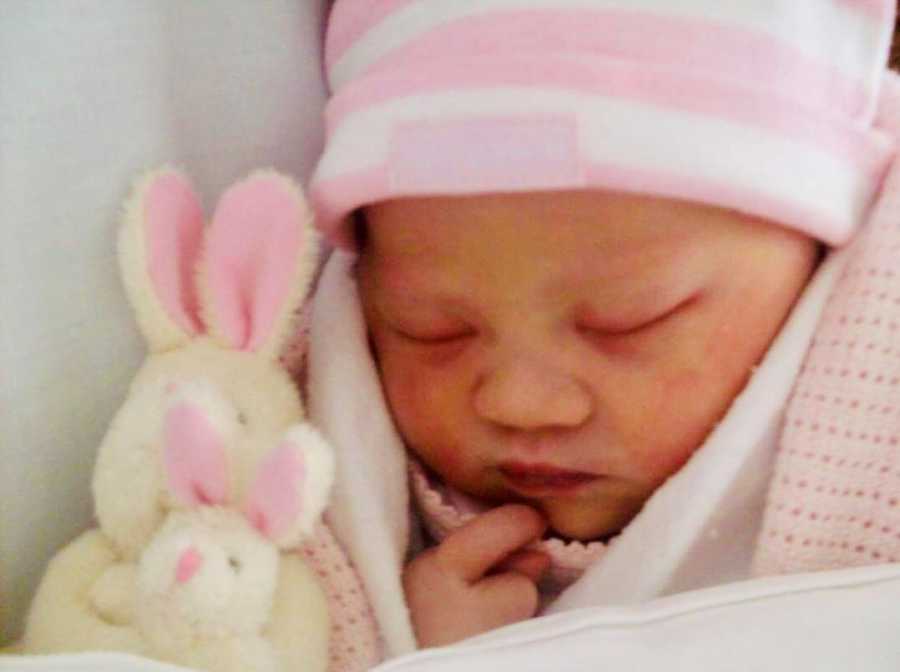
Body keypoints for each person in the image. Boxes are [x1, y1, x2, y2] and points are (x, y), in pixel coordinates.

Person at [306, 0, 900, 655]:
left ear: (818, 257)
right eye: (431, 330)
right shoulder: (325, 477)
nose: (518, 404)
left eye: (627, 322)